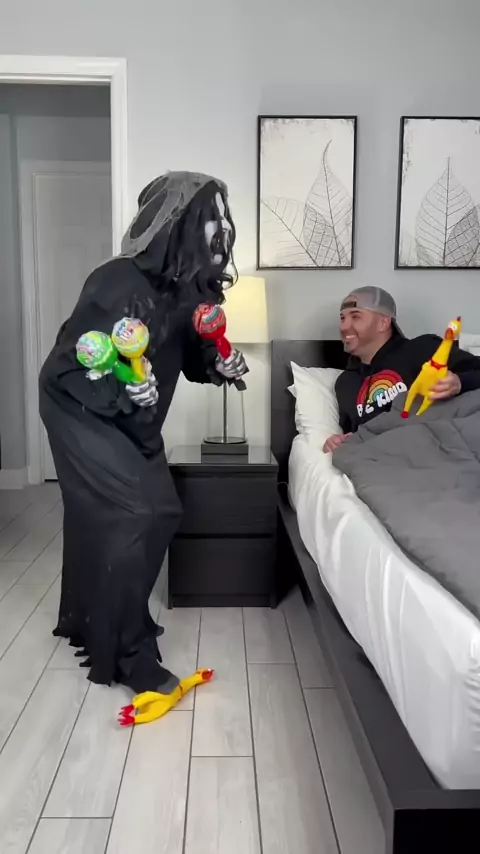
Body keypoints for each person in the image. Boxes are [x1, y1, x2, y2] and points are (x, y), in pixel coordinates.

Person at [39, 171, 247, 695]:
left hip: (136, 416)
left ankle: (106, 617)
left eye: (225, 216)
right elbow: (78, 361)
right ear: (178, 223)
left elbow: (194, 354)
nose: (222, 228)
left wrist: (218, 364)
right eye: (211, 217)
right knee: (135, 513)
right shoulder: (116, 281)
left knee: (160, 510)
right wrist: (121, 386)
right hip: (78, 407)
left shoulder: (194, 287)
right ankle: (128, 653)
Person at [323, 286, 480, 453]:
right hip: (383, 455)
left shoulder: (423, 349)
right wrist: (337, 441)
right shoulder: (345, 383)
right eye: (342, 318)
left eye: (356, 317)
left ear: (383, 323)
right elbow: (354, 433)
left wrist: (460, 383)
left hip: (435, 446)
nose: (344, 327)